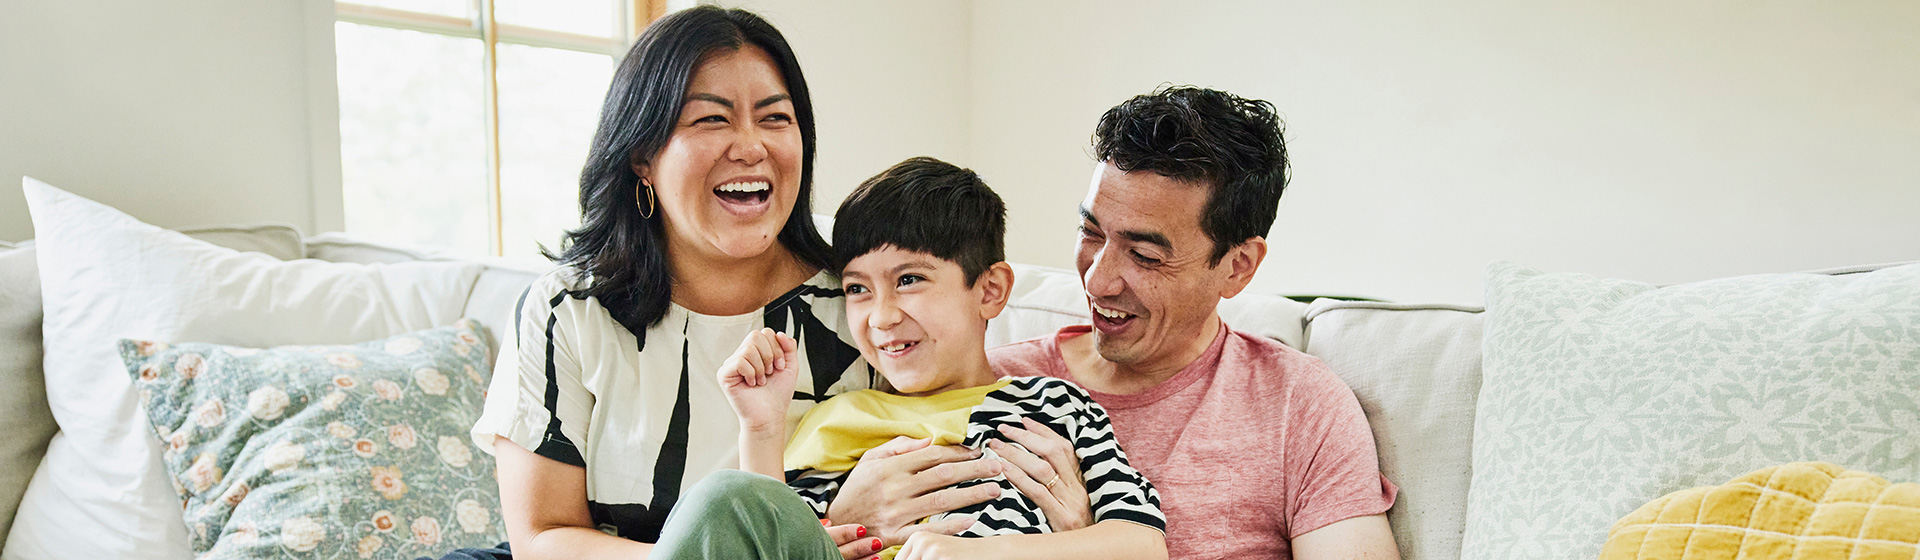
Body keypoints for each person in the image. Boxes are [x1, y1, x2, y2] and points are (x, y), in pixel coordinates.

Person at [841, 87, 1403, 559]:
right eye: (1091, 234)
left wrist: (1077, 543)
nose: (1097, 280)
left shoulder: (1297, 405)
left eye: (1146, 255)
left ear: (1237, 267)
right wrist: (845, 518)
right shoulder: (984, 388)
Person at [458, 7, 880, 560]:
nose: (751, 146)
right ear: (642, 156)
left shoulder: (863, 303)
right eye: (711, 119)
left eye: (776, 118)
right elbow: (541, 536)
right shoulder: (569, 307)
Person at [716, 157, 1169, 560]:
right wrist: (761, 430)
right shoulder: (837, 419)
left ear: (990, 291)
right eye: (858, 289)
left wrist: (994, 553)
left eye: (909, 279)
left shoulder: (1053, 405)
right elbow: (767, 542)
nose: (883, 316)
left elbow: (1142, 543)